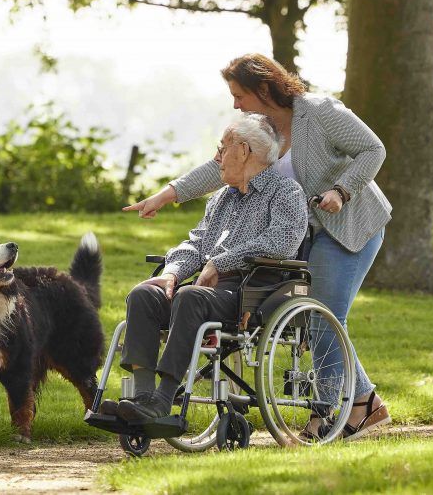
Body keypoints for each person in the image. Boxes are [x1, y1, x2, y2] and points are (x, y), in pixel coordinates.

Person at [124, 53, 393, 440]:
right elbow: (219, 166)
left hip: (348, 223)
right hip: (305, 229)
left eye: (239, 95)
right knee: (312, 318)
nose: (234, 104)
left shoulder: (317, 112)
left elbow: (374, 150)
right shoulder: (258, 129)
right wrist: (166, 196)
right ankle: (365, 401)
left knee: (321, 317)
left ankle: (328, 412)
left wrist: (342, 189)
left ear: (263, 88)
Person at [104, 113, 308, 422]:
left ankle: (162, 400)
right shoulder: (221, 199)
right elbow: (197, 243)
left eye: (222, 148)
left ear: (243, 150)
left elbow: (281, 241)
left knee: (189, 298)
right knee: (143, 295)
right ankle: (141, 398)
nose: (217, 157)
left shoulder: (286, 192)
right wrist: (171, 273)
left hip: (250, 290)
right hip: (207, 289)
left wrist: (221, 261)